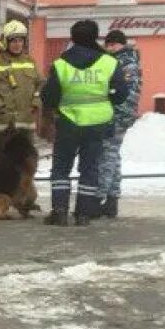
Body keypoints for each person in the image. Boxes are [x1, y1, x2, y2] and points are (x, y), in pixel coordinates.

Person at [41, 20, 127, 227]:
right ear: (95, 37)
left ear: (72, 38)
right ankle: (83, 215)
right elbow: (121, 95)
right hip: (98, 124)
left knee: (61, 168)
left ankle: (60, 212)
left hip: (68, 123)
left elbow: (49, 97)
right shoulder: (109, 63)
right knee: (90, 169)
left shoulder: (61, 64)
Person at [0, 20, 44, 177]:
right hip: (1, 123)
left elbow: (41, 85)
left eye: (20, 40)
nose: (17, 44)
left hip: (25, 121)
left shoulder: (30, 63)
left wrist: (36, 102)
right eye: (13, 40)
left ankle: (23, 196)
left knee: (27, 162)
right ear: (5, 42)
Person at [95, 30, 142, 218]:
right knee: (114, 158)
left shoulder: (125, 63)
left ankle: (99, 199)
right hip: (120, 115)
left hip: (118, 115)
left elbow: (127, 94)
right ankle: (112, 200)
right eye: (108, 44)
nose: (110, 48)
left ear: (122, 44)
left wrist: (118, 115)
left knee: (107, 157)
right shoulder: (126, 60)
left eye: (114, 44)